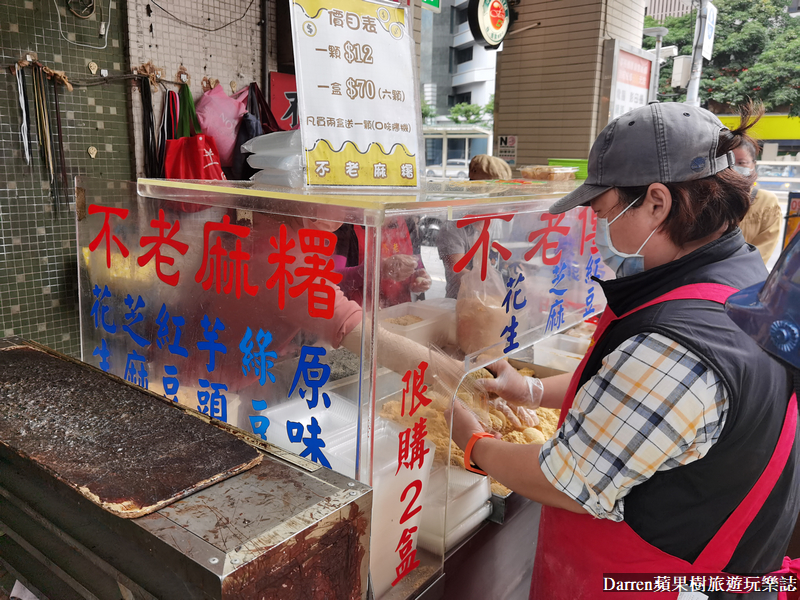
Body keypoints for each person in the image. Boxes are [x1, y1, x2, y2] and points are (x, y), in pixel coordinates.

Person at [446, 102, 800, 599]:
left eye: (604, 210)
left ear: (657, 202)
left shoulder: (683, 343)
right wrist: (529, 389)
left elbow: (567, 480)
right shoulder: (734, 275)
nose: (597, 225)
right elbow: (623, 392)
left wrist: (474, 444)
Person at [438, 154, 513, 298]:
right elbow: (458, 273)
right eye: (494, 195)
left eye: (502, 194)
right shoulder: (454, 227)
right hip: (461, 303)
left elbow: (508, 261)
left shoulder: (501, 222)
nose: (501, 202)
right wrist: (496, 287)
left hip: (497, 303)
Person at [731, 109, 782, 264]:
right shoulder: (708, 198)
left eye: (741, 163)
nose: (734, 168)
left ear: (753, 165)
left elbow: (763, 252)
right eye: (729, 163)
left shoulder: (767, 202)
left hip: (744, 275)